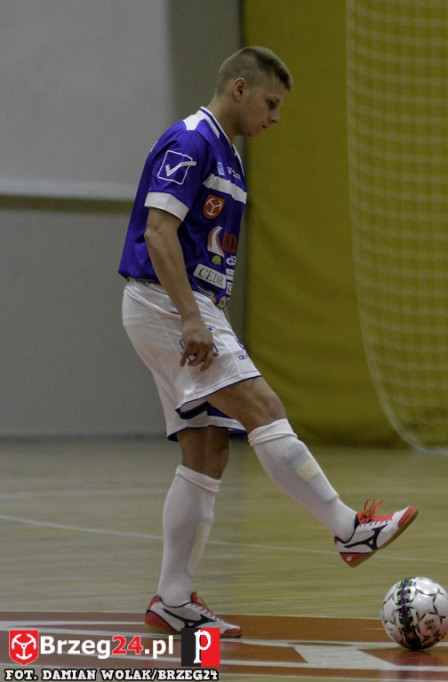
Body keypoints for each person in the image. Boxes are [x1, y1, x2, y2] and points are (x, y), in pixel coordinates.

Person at [118, 46, 418, 638]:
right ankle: (347, 529)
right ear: (239, 89)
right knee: (264, 409)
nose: (275, 117)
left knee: (207, 450)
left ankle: (172, 598)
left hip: (185, 307)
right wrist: (191, 318)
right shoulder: (192, 141)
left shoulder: (229, 154)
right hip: (166, 303)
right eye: (271, 103)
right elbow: (159, 233)